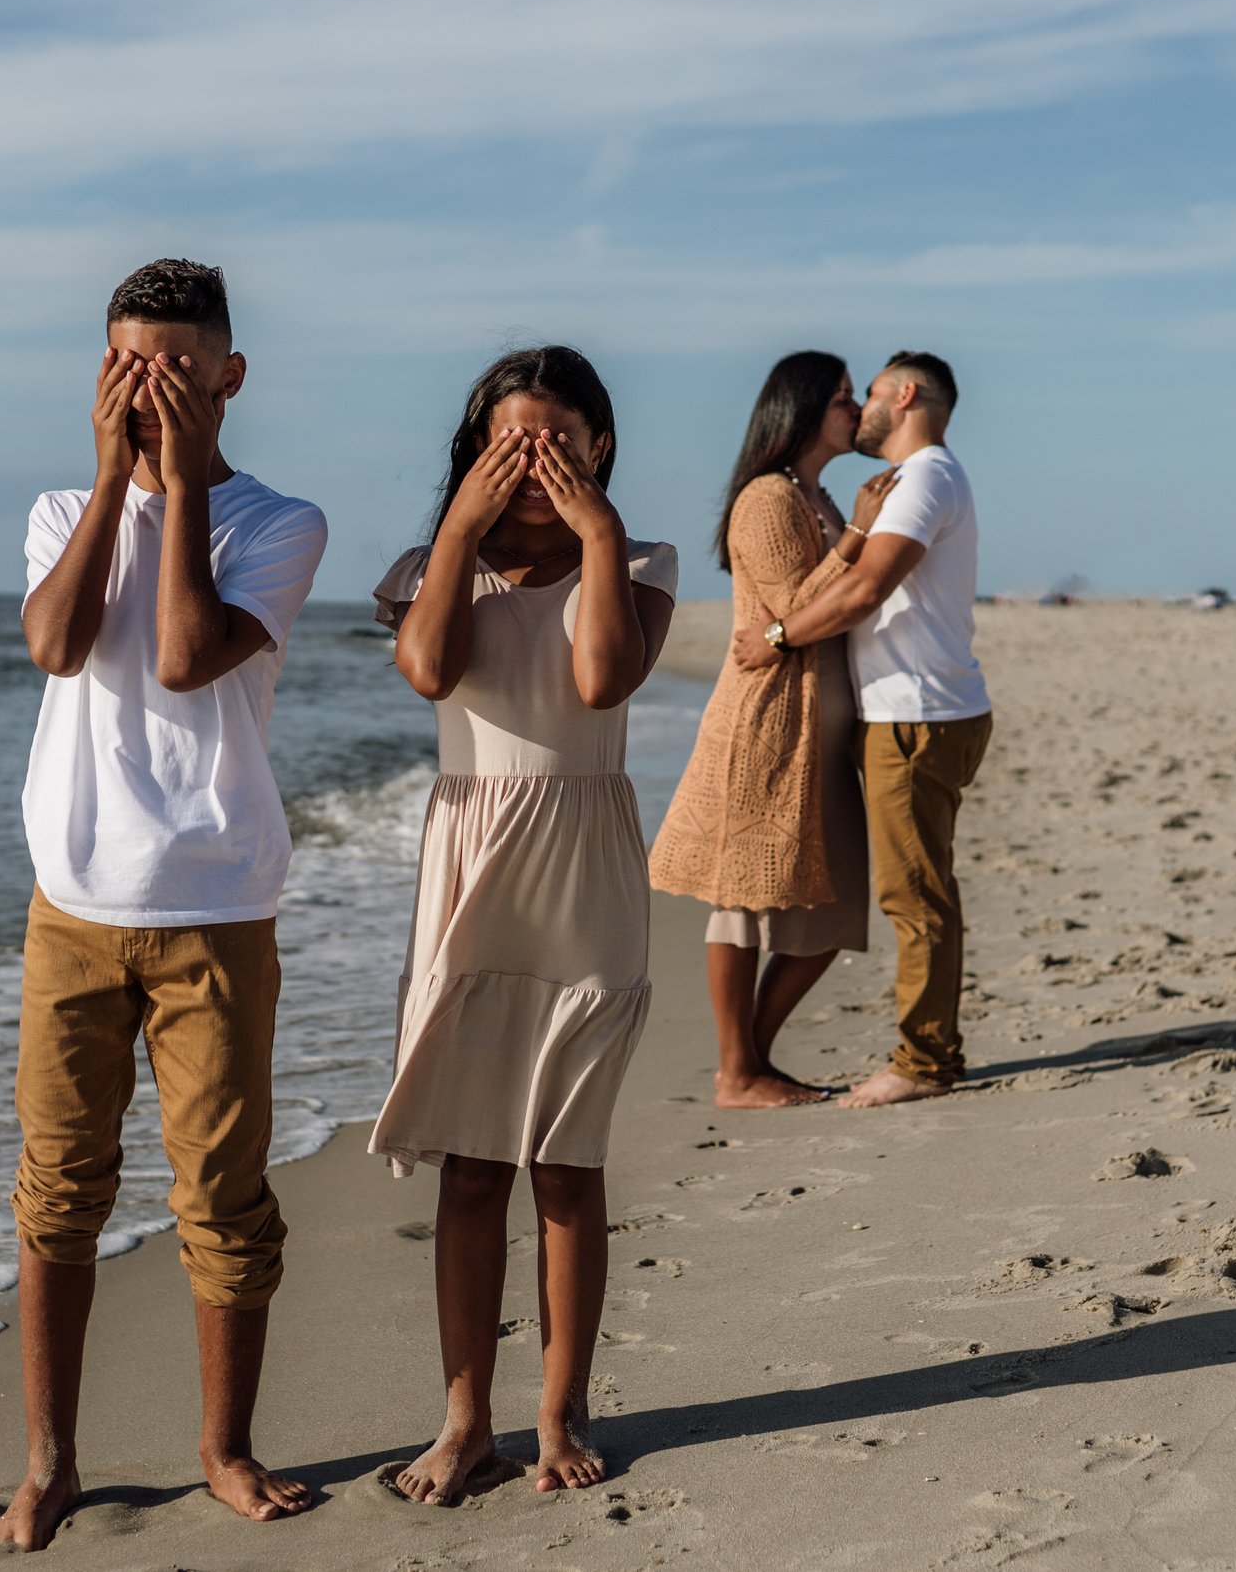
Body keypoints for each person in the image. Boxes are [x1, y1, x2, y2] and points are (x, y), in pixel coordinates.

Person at [0, 259, 328, 1549]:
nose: (153, 389)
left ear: (229, 375)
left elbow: (186, 656)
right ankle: (50, 1460)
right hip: (69, 902)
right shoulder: (54, 508)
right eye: (130, 366)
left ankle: (224, 1449)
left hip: (216, 903)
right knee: (58, 1188)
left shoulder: (276, 522)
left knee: (223, 1196)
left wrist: (180, 482)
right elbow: (57, 642)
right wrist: (111, 482)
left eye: (179, 368)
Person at [367, 345, 678, 1503]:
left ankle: (559, 1409)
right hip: (471, 860)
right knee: (467, 1165)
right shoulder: (427, 564)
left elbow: (600, 682)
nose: (536, 462)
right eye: (512, 443)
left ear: (600, 445)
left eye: (558, 439)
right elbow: (426, 668)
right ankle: (462, 1420)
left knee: (565, 1160)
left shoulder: (638, 558)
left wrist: (596, 536)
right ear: (474, 452)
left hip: (585, 866)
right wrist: (458, 532)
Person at [730, 352, 992, 1109]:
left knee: (915, 896)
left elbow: (866, 588)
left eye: (869, 393)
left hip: (916, 716)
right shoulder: (923, 479)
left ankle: (925, 1061)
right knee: (921, 890)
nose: (861, 407)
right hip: (920, 710)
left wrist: (777, 637)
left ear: (904, 394)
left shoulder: (926, 476)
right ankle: (927, 1050)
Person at [650, 352, 893, 1107]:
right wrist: (857, 534)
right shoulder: (766, 497)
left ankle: (750, 1060)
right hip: (765, 724)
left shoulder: (816, 495)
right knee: (744, 901)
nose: (856, 411)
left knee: (836, 905)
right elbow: (796, 606)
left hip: (822, 729)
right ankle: (737, 1070)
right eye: (845, 399)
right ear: (804, 409)